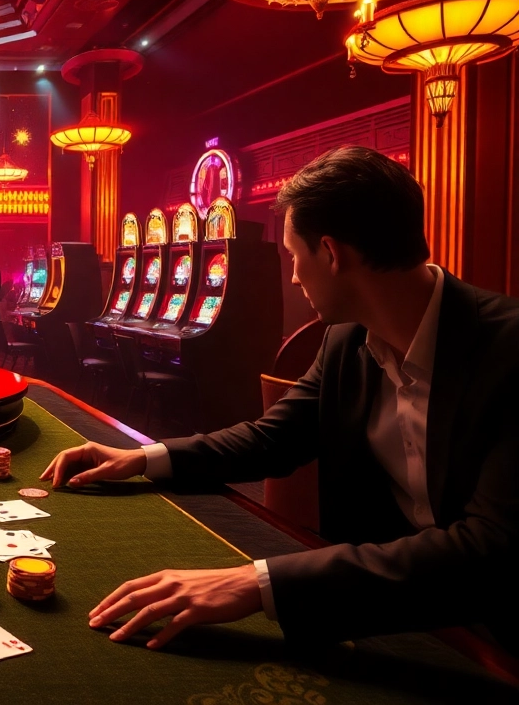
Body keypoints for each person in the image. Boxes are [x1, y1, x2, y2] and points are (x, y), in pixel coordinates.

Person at [40, 146, 519, 653]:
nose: (292, 275)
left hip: (494, 632)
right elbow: (273, 437)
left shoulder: (506, 352)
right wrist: (141, 458)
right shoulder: (347, 339)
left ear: (332, 254)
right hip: (383, 608)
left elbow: (490, 552)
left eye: (294, 255)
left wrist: (256, 583)